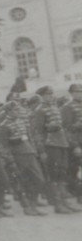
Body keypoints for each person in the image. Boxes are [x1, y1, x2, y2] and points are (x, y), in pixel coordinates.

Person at [33, 86, 81, 214]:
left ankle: (64, 203)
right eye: (47, 94)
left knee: (62, 173)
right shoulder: (40, 110)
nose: (50, 96)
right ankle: (58, 205)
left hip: (61, 143)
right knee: (54, 175)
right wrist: (41, 151)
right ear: (42, 96)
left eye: (51, 94)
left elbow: (62, 127)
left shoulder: (54, 108)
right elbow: (38, 132)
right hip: (50, 144)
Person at [0, 101, 49, 215]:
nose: (18, 111)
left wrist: (35, 151)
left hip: (29, 153)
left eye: (18, 109)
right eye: (15, 110)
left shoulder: (22, 122)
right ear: (8, 111)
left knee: (39, 179)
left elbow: (30, 138)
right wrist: (10, 160)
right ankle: (27, 207)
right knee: (21, 182)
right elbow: (3, 146)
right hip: (17, 156)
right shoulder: (3, 126)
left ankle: (33, 204)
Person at [61, 83, 82, 202]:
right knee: (75, 169)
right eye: (77, 92)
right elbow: (67, 128)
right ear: (71, 93)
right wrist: (75, 146)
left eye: (81, 91)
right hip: (77, 141)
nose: (80, 94)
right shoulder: (67, 107)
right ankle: (78, 195)